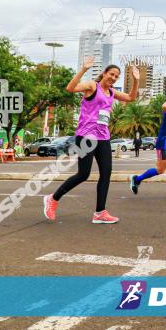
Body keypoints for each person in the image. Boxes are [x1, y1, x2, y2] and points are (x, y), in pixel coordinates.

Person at [43, 56, 139, 224]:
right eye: (111, 74)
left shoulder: (112, 92)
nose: (114, 78)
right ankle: (52, 198)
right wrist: (83, 69)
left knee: (106, 173)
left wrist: (136, 81)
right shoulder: (91, 86)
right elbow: (70, 88)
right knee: (83, 174)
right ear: (104, 73)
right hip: (86, 136)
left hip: (103, 137)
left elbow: (131, 98)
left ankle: (100, 212)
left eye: (117, 76)